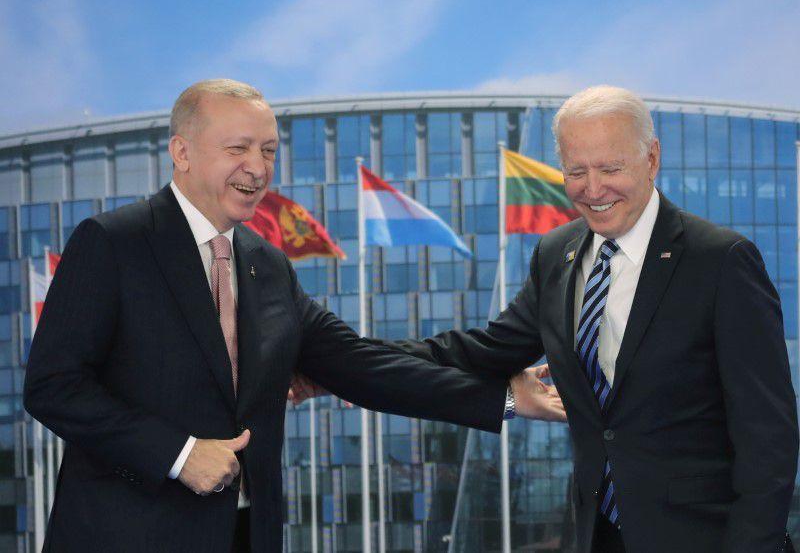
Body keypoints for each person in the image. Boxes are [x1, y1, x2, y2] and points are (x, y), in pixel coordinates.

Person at [23, 79, 565, 553]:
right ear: (181, 152)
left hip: (246, 534)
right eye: (238, 148)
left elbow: (363, 364)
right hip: (128, 535)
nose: (258, 168)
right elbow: (54, 385)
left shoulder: (268, 265)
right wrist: (178, 454)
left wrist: (505, 397)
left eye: (268, 151)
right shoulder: (113, 243)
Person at [294, 85, 799, 552]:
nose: (593, 189)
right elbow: (477, 353)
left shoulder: (720, 260)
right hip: (594, 536)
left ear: (652, 158)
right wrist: (339, 369)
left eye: (610, 168)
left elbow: (769, 437)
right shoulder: (558, 253)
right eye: (576, 172)